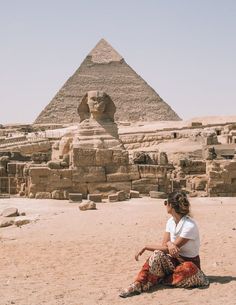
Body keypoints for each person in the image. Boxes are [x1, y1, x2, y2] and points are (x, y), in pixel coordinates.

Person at [119, 191, 209, 298]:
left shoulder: (189, 225)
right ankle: (138, 283)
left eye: (166, 202)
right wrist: (169, 243)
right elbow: (164, 246)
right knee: (157, 254)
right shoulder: (170, 222)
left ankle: (161, 279)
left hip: (189, 263)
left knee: (188, 268)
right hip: (174, 261)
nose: (165, 205)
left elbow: (172, 248)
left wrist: (146, 246)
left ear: (171, 205)